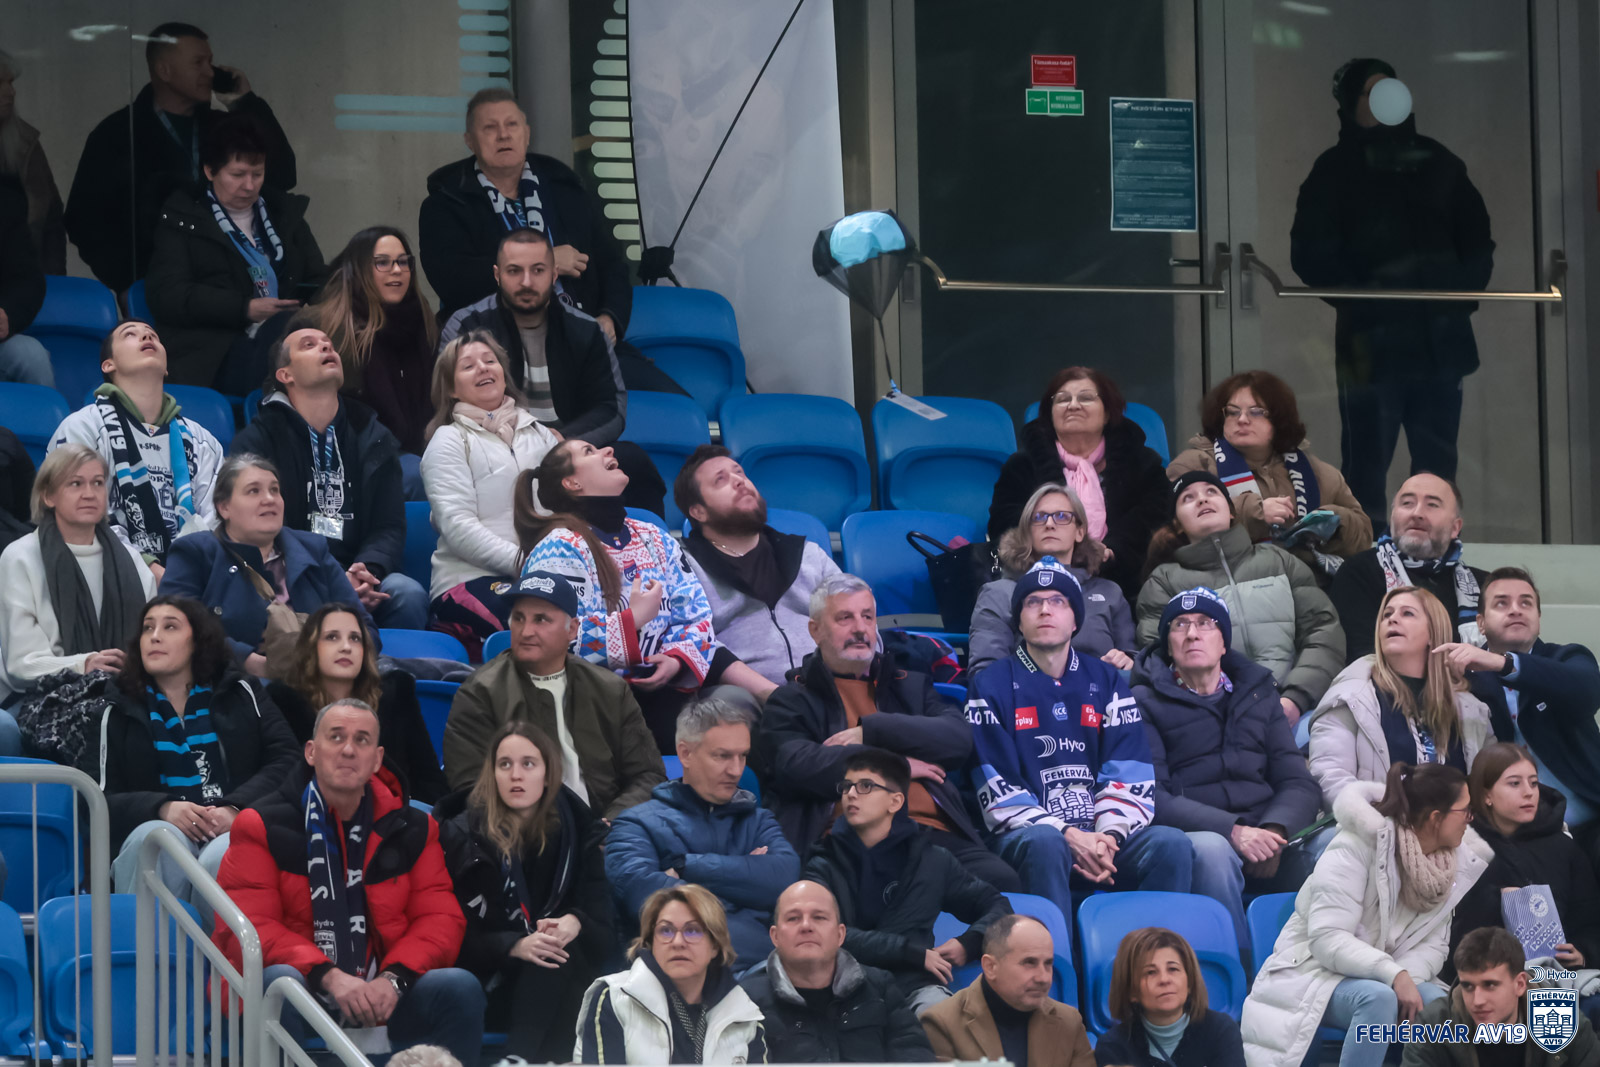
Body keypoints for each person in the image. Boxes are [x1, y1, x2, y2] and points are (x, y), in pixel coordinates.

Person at [212, 698, 484, 1067]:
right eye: (336, 737)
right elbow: (250, 928)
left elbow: (441, 919)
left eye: (362, 740)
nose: (349, 750)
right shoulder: (261, 824)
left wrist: (393, 979)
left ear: (377, 758)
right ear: (311, 751)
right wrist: (328, 976)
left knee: (458, 986)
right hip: (306, 987)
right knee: (277, 981)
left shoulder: (416, 828)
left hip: (386, 990)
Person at [1290, 58, 1494, 528]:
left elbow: (1477, 241)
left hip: (1440, 343)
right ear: (1350, 103)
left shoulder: (1437, 161)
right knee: (1366, 463)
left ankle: (1435, 550)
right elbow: (1312, 253)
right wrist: (1367, 296)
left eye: (1390, 89)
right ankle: (1369, 555)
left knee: (1438, 464)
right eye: (1371, 93)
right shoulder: (1334, 170)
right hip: (1371, 346)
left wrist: (1456, 297)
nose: (1384, 101)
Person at [758, 574, 1016, 889]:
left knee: (1003, 881)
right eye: (845, 618)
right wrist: (898, 766)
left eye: (868, 617)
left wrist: (873, 731)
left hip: (935, 835)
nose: (860, 628)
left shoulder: (909, 686)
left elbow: (958, 739)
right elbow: (797, 765)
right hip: (851, 837)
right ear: (815, 630)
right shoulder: (792, 699)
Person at [967, 557, 1194, 905]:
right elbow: (999, 793)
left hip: (1103, 836)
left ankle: (1152, 942)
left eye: (1058, 601)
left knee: (1170, 844)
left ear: (1075, 620)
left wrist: (1107, 837)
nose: (1045, 610)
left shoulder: (1107, 680)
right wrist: (1069, 835)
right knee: (1046, 843)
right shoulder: (990, 685)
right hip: (1029, 836)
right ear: (1019, 621)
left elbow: (1129, 773)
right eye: (1033, 602)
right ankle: (1052, 944)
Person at [514, 441, 766, 751]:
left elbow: (696, 615)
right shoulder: (559, 548)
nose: (608, 451)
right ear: (572, 483)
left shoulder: (653, 536)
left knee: (736, 714)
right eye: (589, 451)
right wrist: (630, 621)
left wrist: (675, 660)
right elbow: (549, 641)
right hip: (589, 708)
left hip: (665, 696)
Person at [1242, 762, 1491, 1067]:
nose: (1470, 819)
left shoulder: (1450, 867)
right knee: (1377, 999)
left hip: (1383, 974)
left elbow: (1434, 945)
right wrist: (1393, 976)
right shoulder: (1354, 845)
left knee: (1439, 1005)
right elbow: (1327, 938)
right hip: (1314, 971)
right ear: (1435, 818)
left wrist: (1402, 978)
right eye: (1465, 810)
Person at [1131, 588, 1323, 955]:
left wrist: (1275, 831)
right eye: (1179, 625)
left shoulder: (1258, 693)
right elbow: (1152, 796)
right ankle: (1239, 971)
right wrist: (1233, 831)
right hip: (1204, 836)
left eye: (1205, 623)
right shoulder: (1143, 701)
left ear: (1224, 643)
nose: (1192, 634)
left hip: (1268, 835)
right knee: (1213, 851)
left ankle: (1326, 965)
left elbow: (1297, 781)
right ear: (1168, 644)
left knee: (1336, 845)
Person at [439, 227, 669, 514]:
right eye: (514, 271)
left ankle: (643, 541)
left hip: (568, 446)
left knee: (633, 462)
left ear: (554, 274)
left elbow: (611, 408)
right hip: (492, 446)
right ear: (497, 275)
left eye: (537, 270)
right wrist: (515, 443)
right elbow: (449, 401)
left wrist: (561, 440)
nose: (526, 282)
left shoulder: (587, 330)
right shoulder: (467, 325)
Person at [65, 21, 297, 294]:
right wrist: (128, 283)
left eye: (210, 62)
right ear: (164, 70)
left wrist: (244, 102)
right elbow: (86, 221)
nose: (210, 72)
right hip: (158, 286)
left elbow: (282, 176)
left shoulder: (223, 127)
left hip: (232, 283)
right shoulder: (118, 134)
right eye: (198, 63)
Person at [102, 595, 298, 910]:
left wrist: (235, 808)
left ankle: (222, 945)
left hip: (231, 824)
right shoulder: (116, 706)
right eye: (148, 628)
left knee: (226, 850)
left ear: (197, 640)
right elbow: (97, 798)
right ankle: (154, 944)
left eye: (170, 627)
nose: (154, 636)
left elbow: (287, 759)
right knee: (157, 840)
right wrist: (161, 807)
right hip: (157, 828)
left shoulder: (242, 691)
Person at [436, 721, 614, 1063]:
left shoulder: (578, 833)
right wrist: (514, 945)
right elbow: (451, 938)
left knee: (558, 951)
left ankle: (517, 1059)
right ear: (493, 774)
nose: (515, 775)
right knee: (553, 956)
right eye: (505, 764)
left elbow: (606, 935)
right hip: (484, 981)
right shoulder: (460, 836)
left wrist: (575, 921)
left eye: (528, 764)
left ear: (548, 775)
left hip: (557, 978)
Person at [231, 321, 425, 630]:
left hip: (360, 574)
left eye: (329, 344)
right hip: (293, 577)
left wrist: (366, 570)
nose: (326, 346)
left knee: (408, 594)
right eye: (309, 345)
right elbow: (255, 528)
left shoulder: (373, 435)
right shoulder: (259, 440)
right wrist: (330, 579)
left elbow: (388, 526)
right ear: (285, 375)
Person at [803, 750, 1011, 1016]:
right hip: (842, 993)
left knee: (944, 1018)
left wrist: (969, 943)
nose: (851, 794)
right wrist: (910, 953)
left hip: (914, 990)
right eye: (846, 786)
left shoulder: (932, 861)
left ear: (895, 801)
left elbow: (997, 906)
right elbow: (823, 934)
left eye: (865, 786)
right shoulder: (823, 861)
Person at [440, 570, 665, 814]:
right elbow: (471, 788)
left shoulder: (609, 689)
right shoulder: (479, 693)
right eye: (518, 618)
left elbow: (647, 774)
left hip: (608, 826)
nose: (526, 631)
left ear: (572, 630)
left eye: (541, 620)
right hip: (522, 830)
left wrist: (614, 822)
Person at [1138, 470, 1345, 724]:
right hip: (1211, 720)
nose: (1202, 499)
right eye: (1188, 498)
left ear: (1231, 511)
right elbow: (1157, 658)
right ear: (1178, 524)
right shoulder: (1164, 581)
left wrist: (1294, 699)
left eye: (1211, 491)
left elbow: (1322, 631)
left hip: (1297, 712)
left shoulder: (1279, 561)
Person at [606, 699, 799, 970]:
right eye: (722, 756)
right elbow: (651, 907)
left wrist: (686, 866)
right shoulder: (635, 825)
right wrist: (746, 881)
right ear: (685, 754)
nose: (736, 770)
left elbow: (785, 881)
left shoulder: (758, 821)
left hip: (766, 972)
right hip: (680, 979)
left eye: (743, 755)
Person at [420, 88, 631, 330]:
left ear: (527, 134)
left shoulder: (566, 192)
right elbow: (452, 281)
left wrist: (610, 319)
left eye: (512, 125)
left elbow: (612, 265)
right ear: (470, 141)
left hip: (581, 333)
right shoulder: (446, 204)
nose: (503, 135)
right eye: (490, 128)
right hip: (493, 339)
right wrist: (544, 261)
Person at [144, 112, 322, 391]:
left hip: (285, 340)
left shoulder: (285, 216)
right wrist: (244, 308)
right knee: (291, 334)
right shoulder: (182, 220)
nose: (249, 185)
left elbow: (318, 279)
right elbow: (168, 295)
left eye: (257, 174)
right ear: (209, 171)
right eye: (237, 175)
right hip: (212, 355)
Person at [159, 453, 372, 674]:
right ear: (224, 507)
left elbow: (364, 626)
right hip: (236, 682)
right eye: (254, 491)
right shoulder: (195, 553)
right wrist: (247, 662)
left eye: (275, 490)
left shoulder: (313, 548)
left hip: (322, 678)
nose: (269, 499)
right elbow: (175, 628)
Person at [420, 331, 561, 651]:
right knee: (539, 625)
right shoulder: (448, 440)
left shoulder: (540, 433)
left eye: (490, 361)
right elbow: (458, 527)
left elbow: (568, 507)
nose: (483, 368)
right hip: (470, 579)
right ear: (451, 388)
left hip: (546, 572)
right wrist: (529, 562)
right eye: (468, 366)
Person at [49, 320, 225, 572]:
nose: (146, 337)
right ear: (108, 365)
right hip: (107, 576)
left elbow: (218, 519)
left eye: (153, 335)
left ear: (166, 367)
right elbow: (79, 518)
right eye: (130, 334)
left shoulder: (202, 440)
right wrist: (149, 570)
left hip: (192, 579)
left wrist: (187, 576)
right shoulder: (83, 427)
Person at [1434, 567, 1600, 833]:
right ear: (1480, 623)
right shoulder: (1464, 679)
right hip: (1506, 833)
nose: (1516, 610)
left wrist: (1504, 664)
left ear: (1538, 618)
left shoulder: (1568, 659)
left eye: (1526, 603)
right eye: (1502, 603)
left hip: (1590, 823)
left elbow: (1588, 693)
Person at [1165, 370, 1372, 574]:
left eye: (1256, 412)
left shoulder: (1319, 473)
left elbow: (1364, 538)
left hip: (1308, 585)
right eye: (1233, 412)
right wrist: (1256, 514)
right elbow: (1173, 531)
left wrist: (1334, 522)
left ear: (1279, 419)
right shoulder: (1193, 467)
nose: (1242, 419)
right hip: (1223, 585)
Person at [988, 366, 1170, 597]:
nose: (1073, 405)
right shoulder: (1022, 466)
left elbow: (1155, 518)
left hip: (1128, 585)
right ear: (1050, 414)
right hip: (1037, 582)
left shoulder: (1142, 464)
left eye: (1086, 398)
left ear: (1107, 413)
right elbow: (1003, 522)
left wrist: (1113, 550)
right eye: (1063, 399)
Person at [0, 445, 156, 711]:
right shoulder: (20, 558)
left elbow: (151, 638)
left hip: (124, 693)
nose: (89, 494)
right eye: (75, 483)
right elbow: (22, 665)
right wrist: (84, 665)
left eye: (98, 483)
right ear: (48, 496)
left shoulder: (132, 560)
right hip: (37, 700)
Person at [1308, 587, 1492, 812]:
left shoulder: (1470, 708)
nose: (1392, 619)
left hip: (1458, 830)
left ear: (1433, 633)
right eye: (1387, 614)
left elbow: (1490, 786)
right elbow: (1329, 775)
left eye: (1407, 613)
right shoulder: (1351, 696)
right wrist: (1380, 825)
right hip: (1375, 828)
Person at [676, 444, 842, 687]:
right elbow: (692, 644)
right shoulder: (684, 567)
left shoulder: (808, 555)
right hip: (742, 698)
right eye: (720, 480)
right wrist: (773, 696)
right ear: (699, 512)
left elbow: (857, 618)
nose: (739, 481)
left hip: (829, 687)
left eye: (740, 473)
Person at [1449, 744, 1600, 992]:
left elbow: (1590, 918)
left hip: (1556, 980)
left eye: (1533, 783)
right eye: (1514, 784)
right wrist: (1494, 899)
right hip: (1483, 983)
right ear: (1486, 795)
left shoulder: (1564, 847)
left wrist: (1583, 952)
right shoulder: (1464, 846)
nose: (1528, 793)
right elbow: (1447, 933)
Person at [267, 604, 447, 804]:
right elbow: (281, 780)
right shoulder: (285, 701)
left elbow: (428, 777)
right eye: (332, 637)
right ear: (311, 648)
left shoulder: (395, 695)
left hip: (397, 815)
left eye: (355, 638)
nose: (346, 647)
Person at [740, 880, 935, 1063]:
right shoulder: (746, 1000)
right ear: (775, 936)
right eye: (793, 918)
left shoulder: (880, 987)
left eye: (819, 917)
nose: (806, 926)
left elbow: (915, 1055)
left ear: (840, 934)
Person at [574, 885, 768, 1064]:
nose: (677, 942)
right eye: (665, 931)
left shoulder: (743, 1014)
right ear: (651, 942)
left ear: (715, 945)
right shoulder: (615, 998)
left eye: (693, 931)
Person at [970, 481, 1134, 677]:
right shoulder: (1000, 593)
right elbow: (985, 674)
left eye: (1062, 516)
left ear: (1079, 531)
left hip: (1102, 692)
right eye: (1038, 517)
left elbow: (1133, 659)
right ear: (1027, 531)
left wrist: (1126, 660)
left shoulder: (1109, 592)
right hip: (1025, 693)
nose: (1049, 524)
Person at [1330, 473, 1489, 662]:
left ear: (1455, 528)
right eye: (1407, 503)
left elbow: (1512, 656)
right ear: (1392, 517)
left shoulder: (1485, 587)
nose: (1417, 513)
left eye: (1432, 505)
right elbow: (1361, 656)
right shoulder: (1359, 572)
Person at [312, 226, 438, 457]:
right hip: (357, 454)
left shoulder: (422, 319)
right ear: (359, 270)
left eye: (403, 262)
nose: (397, 270)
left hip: (423, 449)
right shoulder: (327, 326)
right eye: (383, 262)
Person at [1401, 926, 1600, 1067]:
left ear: (1519, 984)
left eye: (1490, 985)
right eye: (1468, 986)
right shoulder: (1434, 1025)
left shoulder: (1564, 1023)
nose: (1477, 1001)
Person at [920, 913, 1093, 1067]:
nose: (1043, 977)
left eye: (1048, 964)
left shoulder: (1069, 1022)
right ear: (990, 967)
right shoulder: (941, 1024)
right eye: (1029, 963)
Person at [1092, 927, 1245, 1067]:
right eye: (1150, 972)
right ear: (1132, 992)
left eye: (1173, 969)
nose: (1164, 980)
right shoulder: (1113, 1046)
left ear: (1190, 982)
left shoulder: (1220, 1030)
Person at [0, 50, 66, 274]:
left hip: (26, 284)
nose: (11, 91)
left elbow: (52, 220)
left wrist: (53, 281)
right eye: (0, 83)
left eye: (10, 82)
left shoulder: (25, 144)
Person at [0, 173, 49, 387]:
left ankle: (47, 411)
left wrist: (7, 313)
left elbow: (28, 280)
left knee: (31, 355)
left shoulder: (5, 203)